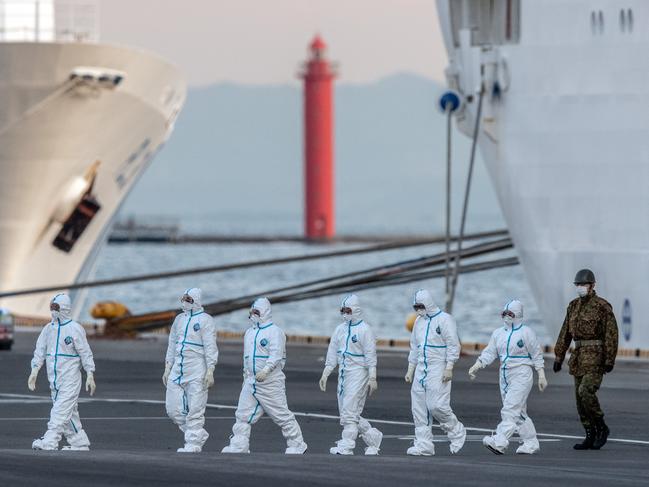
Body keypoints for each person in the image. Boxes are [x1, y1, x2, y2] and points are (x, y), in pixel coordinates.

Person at [222, 297, 307, 454]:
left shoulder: (275, 332)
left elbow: (276, 355)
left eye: (257, 311)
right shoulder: (249, 333)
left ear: (265, 312)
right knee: (242, 414)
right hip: (251, 381)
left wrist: (266, 371)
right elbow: (246, 358)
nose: (254, 314)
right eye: (252, 311)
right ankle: (239, 445)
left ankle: (297, 444)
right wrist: (246, 377)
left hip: (270, 382)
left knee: (281, 414)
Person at [468, 299, 547, 455]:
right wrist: (478, 364)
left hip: (522, 373)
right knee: (519, 412)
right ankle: (531, 442)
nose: (506, 316)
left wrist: (541, 375)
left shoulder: (526, 332)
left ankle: (500, 441)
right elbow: (490, 352)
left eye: (510, 313)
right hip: (504, 374)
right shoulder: (498, 333)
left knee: (510, 409)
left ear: (518, 315)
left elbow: (536, 354)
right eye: (504, 313)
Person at [553, 269, 618, 450]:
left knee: (586, 391)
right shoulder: (573, 306)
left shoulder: (602, 306)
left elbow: (611, 334)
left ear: (592, 285)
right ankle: (589, 434)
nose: (581, 288)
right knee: (579, 400)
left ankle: (602, 427)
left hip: (596, 357)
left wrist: (609, 359)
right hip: (578, 358)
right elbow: (565, 332)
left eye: (584, 284)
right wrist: (559, 356)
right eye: (578, 285)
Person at [28, 293, 96, 451]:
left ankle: (50, 441)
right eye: (51, 307)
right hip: (54, 380)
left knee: (59, 411)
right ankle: (79, 442)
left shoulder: (75, 329)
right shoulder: (48, 329)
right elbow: (40, 350)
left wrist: (90, 373)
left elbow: (85, 353)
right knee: (69, 412)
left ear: (64, 308)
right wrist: (35, 369)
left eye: (55, 307)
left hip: (70, 379)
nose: (52, 310)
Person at [319, 294, 383, 455]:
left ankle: (347, 444)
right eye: (342, 310)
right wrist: (326, 372)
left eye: (348, 310)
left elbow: (370, 356)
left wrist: (372, 377)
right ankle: (373, 437)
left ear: (356, 310)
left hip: (359, 373)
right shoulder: (340, 329)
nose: (345, 314)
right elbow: (333, 351)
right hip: (343, 372)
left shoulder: (365, 330)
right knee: (347, 412)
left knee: (349, 410)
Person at [404, 289, 466, 455]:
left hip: (438, 366)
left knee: (436, 405)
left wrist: (449, 367)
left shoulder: (445, 320)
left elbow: (453, 345)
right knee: (418, 407)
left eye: (420, 305)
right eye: (415, 306)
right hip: (421, 368)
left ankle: (456, 430)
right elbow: (414, 346)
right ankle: (424, 444)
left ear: (428, 303)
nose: (418, 309)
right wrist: (411, 368)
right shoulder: (418, 322)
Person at [163, 287, 219, 453]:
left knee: (195, 410)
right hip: (177, 370)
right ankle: (195, 434)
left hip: (196, 371)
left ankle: (193, 444)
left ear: (196, 301)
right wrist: (168, 366)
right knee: (173, 410)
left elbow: (210, 346)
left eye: (188, 299)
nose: (184, 302)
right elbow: (172, 343)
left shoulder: (205, 320)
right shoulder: (179, 319)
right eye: (184, 299)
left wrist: (210, 369)